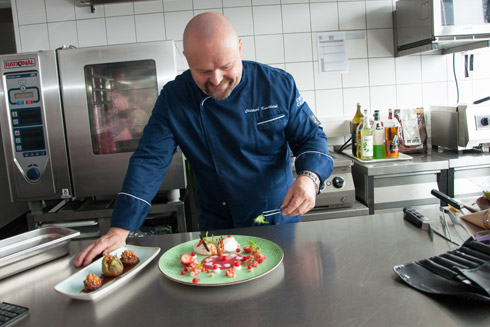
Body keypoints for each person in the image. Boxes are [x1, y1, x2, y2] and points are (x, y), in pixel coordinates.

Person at [74, 12, 334, 267]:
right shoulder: (175, 98)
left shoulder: (276, 85)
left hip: (277, 222)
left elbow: (311, 137)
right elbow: (150, 160)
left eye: (226, 66)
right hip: (217, 230)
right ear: (186, 59)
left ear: (240, 48)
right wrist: (120, 228)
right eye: (204, 71)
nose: (217, 80)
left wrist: (310, 177)